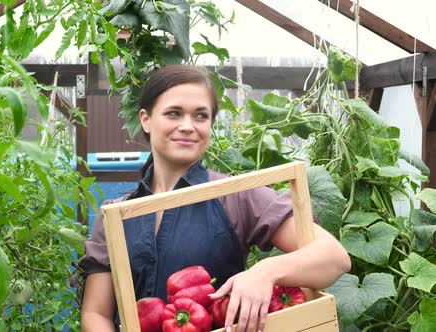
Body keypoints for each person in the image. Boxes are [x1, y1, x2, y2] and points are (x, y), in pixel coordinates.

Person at [79, 65, 350, 332]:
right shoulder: (116, 215)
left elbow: (334, 258)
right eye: (174, 113)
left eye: (200, 116)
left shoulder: (236, 196)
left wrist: (265, 272)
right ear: (146, 119)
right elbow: (96, 312)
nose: (187, 126)